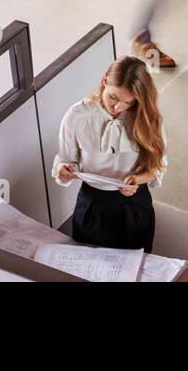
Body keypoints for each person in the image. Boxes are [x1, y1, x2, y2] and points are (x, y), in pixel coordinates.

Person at [52, 56, 167, 251]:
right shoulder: (77, 116)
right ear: (105, 81)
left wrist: (138, 179)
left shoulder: (147, 119)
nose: (117, 107)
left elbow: (158, 166)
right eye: (113, 97)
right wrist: (63, 170)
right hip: (91, 204)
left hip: (134, 205)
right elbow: (66, 159)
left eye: (127, 103)